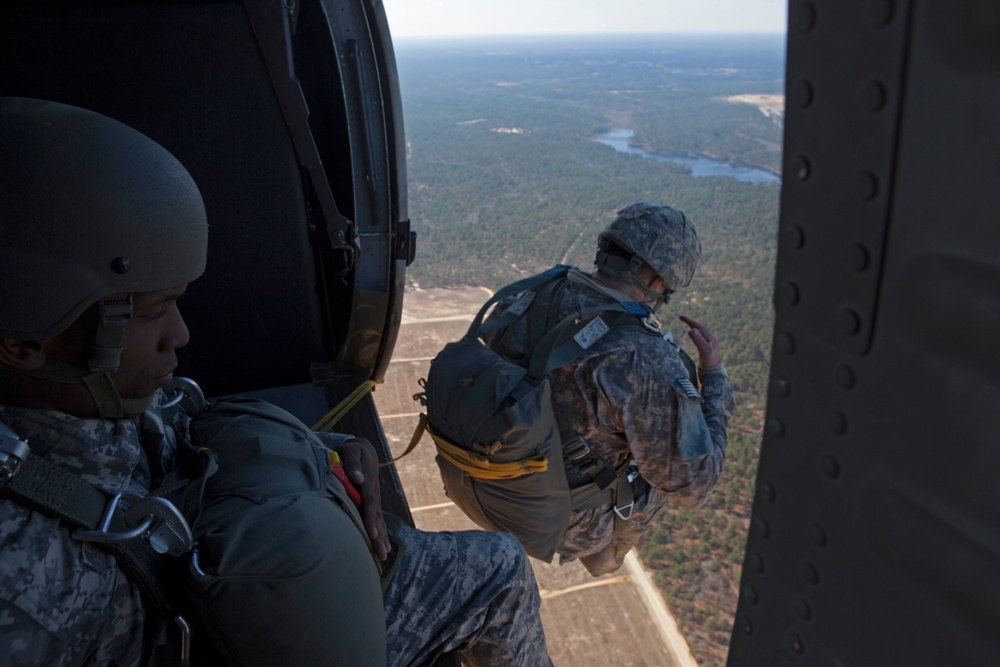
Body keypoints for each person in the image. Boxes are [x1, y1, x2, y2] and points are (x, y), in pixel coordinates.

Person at [0, 97, 551, 666]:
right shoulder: (22, 588)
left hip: (242, 571)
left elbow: (184, 425)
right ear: (23, 341)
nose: (181, 334)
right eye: (148, 313)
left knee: (499, 566)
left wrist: (328, 454)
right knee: (500, 577)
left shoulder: (92, 398)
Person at [483, 202, 736, 576]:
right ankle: (604, 554)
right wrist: (713, 378)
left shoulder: (531, 294)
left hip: (491, 478)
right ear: (655, 281)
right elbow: (693, 487)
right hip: (559, 521)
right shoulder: (644, 359)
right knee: (665, 461)